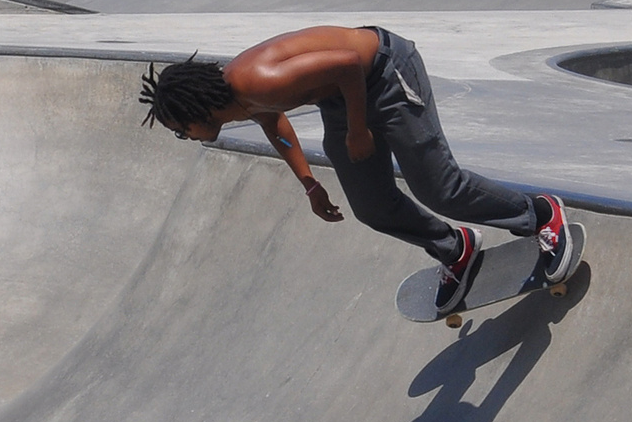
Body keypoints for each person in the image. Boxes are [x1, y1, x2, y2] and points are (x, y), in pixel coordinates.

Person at [139, 27, 578, 315]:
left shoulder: (257, 81)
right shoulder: (239, 103)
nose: (190, 137)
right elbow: (275, 124)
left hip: (383, 72)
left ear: (195, 110)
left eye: (183, 130)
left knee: (438, 187)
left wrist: (358, 129)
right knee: (370, 205)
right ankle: (454, 248)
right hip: (340, 96)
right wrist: (309, 184)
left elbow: (349, 62)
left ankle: (539, 214)